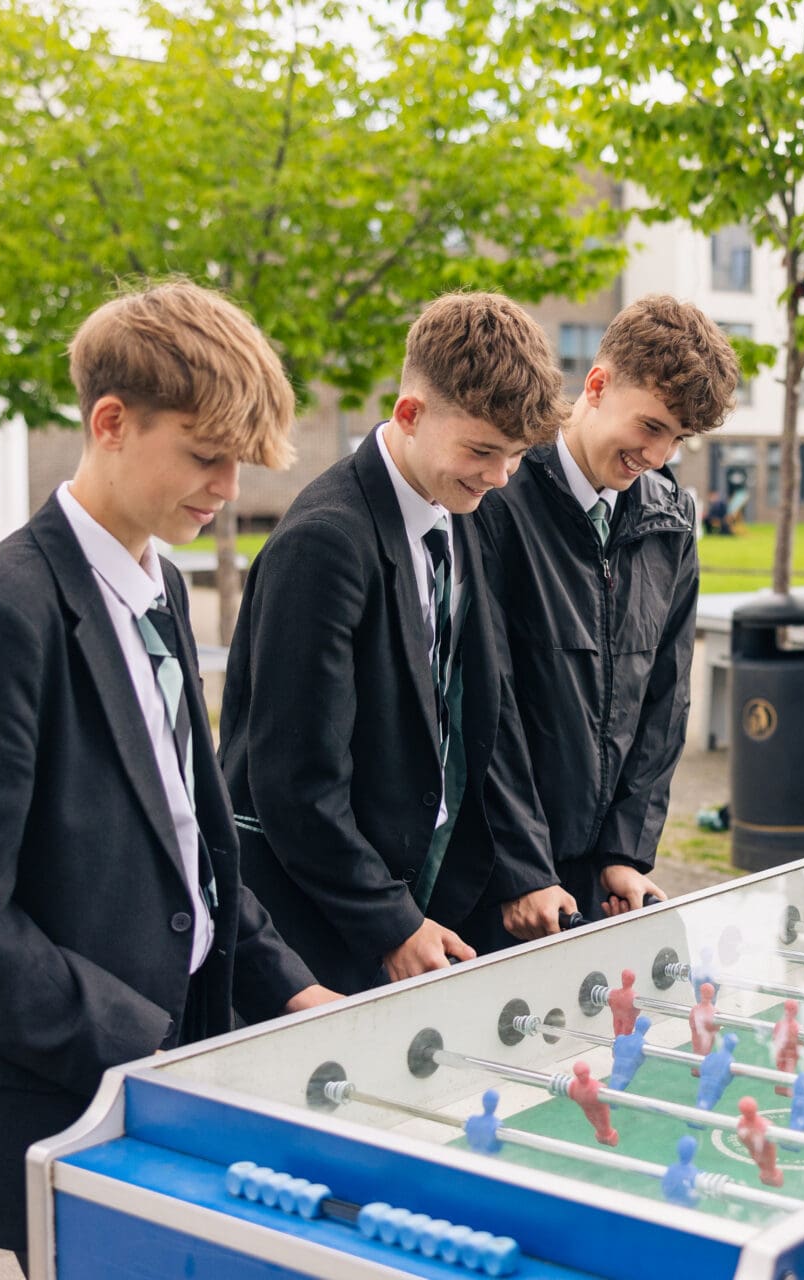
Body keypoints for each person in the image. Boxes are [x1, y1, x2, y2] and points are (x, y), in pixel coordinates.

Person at [0, 282, 337, 1263]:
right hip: (71, 1070)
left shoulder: (159, 581)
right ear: (111, 423)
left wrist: (288, 986)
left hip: (165, 1051)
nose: (229, 486)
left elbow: (189, 839)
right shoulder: (5, 613)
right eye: (205, 454)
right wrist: (137, 1048)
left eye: (238, 460)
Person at [221, 291, 567, 992]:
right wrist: (391, 923)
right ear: (409, 414)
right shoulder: (323, 544)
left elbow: (480, 716)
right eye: (482, 451)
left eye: (516, 457)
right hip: (317, 927)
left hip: (421, 898)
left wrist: (524, 871)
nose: (499, 477)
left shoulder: (459, 505)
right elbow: (295, 782)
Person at [476, 295, 739, 925]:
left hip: (598, 879)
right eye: (651, 427)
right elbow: (486, 705)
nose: (657, 455)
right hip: (496, 883)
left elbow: (666, 699)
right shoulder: (496, 502)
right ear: (596, 386)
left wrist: (627, 851)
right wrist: (524, 870)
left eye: (677, 439)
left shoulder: (671, 521)